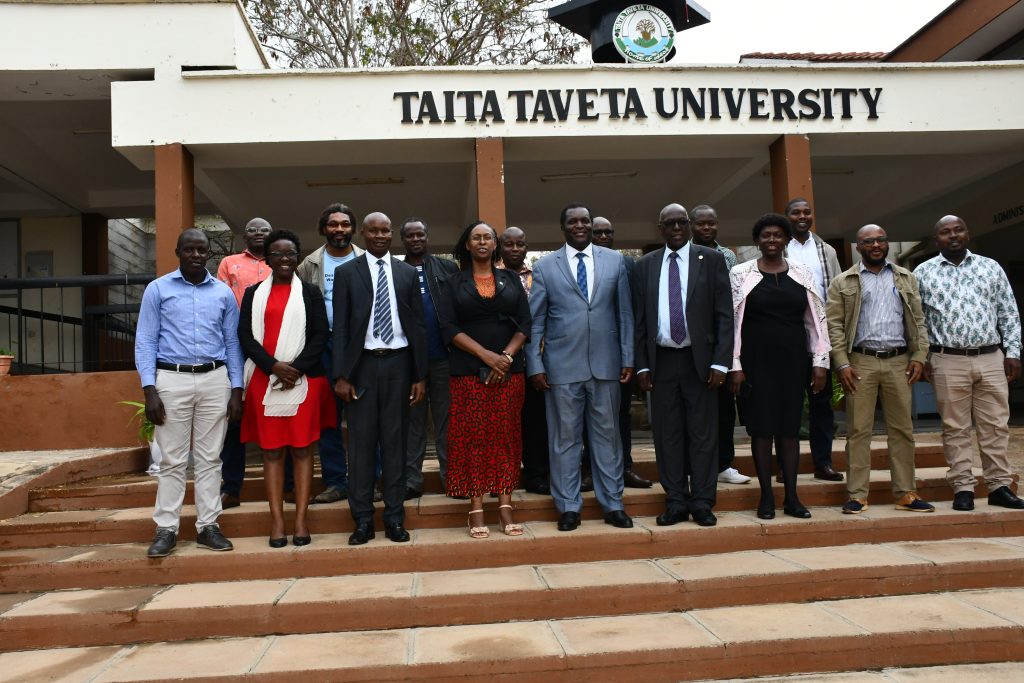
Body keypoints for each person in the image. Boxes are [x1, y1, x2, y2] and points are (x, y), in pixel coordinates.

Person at [526, 203, 635, 532]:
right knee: (564, 441)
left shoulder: (616, 261)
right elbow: (535, 323)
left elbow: (625, 314)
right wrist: (534, 364)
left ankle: (613, 504)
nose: (580, 226)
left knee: (607, 439)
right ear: (563, 227)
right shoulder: (544, 266)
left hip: (607, 366)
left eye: (585, 221)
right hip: (560, 368)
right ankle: (568, 506)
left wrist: (628, 357)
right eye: (573, 221)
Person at [135, 228, 243, 557]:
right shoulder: (158, 290)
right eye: (189, 250)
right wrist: (149, 389)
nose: (196, 255)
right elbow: (146, 340)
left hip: (215, 379)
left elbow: (232, 343)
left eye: (202, 250)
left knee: (211, 458)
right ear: (177, 251)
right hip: (171, 379)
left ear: (210, 254)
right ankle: (166, 528)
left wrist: (237, 388)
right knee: (171, 460)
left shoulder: (223, 293)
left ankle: (208, 526)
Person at [914, 215, 1023, 511]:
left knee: (995, 425)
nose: (953, 235)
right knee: (955, 427)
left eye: (958, 229)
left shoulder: (991, 267)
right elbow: (917, 321)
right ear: (937, 239)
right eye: (946, 232)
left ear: (968, 233)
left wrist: (1013, 352)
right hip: (947, 359)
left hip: (991, 357)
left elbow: (1008, 313)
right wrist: (921, 357)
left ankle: (999, 486)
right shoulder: (923, 273)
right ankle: (963, 488)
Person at [634, 204, 733, 528]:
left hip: (700, 362)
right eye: (669, 223)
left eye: (681, 222)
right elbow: (640, 320)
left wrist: (721, 363)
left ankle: (703, 501)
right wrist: (642, 366)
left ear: (690, 226)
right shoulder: (645, 265)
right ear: (659, 228)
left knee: (703, 434)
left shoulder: (712, 259)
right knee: (667, 435)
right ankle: (675, 500)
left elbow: (724, 316)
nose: (676, 227)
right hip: (661, 361)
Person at [332, 212, 427, 545]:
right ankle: (361, 521)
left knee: (395, 446)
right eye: (373, 231)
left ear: (393, 234)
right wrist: (342, 375)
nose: (380, 236)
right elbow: (341, 327)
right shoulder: (347, 273)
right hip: (362, 369)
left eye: (385, 231)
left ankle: (394, 518)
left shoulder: (405, 272)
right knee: (359, 446)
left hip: (400, 366)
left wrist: (419, 375)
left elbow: (417, 326)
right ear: (363, 234)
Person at [238, 229, 336, 546]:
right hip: (265, 381)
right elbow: (245, 337)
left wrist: (295, 369)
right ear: (267, 258)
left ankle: (301, 522)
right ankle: (277, 522)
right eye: (278, 254)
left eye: (291, 254)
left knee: (304, 450)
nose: (284, 259)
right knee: (271, 453)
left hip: (304, 381)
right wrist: (274, 367)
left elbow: (321, 334)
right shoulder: (253, 294)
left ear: (297, 258)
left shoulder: (310, 293)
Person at [729, 214, 830, 520]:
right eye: (765, 236)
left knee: (788, 429)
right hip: (754, 363)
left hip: (793, 362)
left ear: (786, 240)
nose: (771, 240)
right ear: (757, 240)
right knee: (761, 430)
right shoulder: (740, 273)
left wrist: (819, 362)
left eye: (777, 235)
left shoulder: (803, 273)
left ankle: (792, 497)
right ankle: (766, 497)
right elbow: (733, 323)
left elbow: (816, 321)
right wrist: (735, 365)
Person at [827, 224, 934, 514]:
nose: (876, 245)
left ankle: (905, 493)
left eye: (881, 240)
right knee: (859, 430)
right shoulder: (843, 282)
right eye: (868, 241)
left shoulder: (906, 278)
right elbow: (834, 326)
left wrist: (919, 356)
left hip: (900, 361)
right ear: (858, 247)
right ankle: (857, 495)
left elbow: (919, 320)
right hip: (860, 362)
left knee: (902, 430)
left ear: (887, 244)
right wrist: (842, 363)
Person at [438, 221, 531, 537]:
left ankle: (505, 506)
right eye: (476, 237)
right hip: (468, 373)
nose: (481, 242)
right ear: (467, 244)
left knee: (505, 437)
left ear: (496, 245)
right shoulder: (452, 283)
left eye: (487, 237)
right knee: (474, 439)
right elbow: (448, 328)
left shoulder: (512, 280)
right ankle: (476, 507)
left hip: (509, 373)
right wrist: (486, 356)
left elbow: (525, 324)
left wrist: (504, 357)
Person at [296, 202, 364, 505]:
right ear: (324, 228)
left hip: (361, 346)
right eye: (333, 224)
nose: (340, 229)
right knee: (328, 419)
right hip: (323, 346)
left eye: (345, 224)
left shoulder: (366, 260)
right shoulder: (308, 265)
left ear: (353, 228)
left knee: (366, 417)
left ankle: (368, 480)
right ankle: (336, 482)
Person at [689, 204, 751, 486]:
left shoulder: (727, 255)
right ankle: (694, 465)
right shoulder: (681, 254)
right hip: (691, 343)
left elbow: (733, 301)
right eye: (701, 223)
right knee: (695, 409)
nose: (706, 228)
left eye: (711, 223)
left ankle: (724, 464)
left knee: (725, 407)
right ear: (692, 225)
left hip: (722, 340)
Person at [590, 217, 653, 490]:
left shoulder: (625, 263)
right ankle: (588, 471)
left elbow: (632, 313)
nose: (603, 236)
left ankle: (625, 468)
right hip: (582, 356)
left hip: (618, 357)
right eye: (598, 232)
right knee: (585, 417)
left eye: (608, 231)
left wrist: (632, 357)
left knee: (620, 415)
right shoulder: (571, 264)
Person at [785, 198, 844, 482]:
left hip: (821, 337)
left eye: (807, 211)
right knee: (788, 405)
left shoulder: (827, 250)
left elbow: (837, 290)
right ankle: (788, 466)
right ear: (787, 217)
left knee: (821, 405)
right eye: (796, 212)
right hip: (788, 336)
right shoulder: (779, 247)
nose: (802, 216)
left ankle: (823, 463)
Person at [400, 217, 459, 499]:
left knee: (447, 421)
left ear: (427, 237)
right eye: (409, 236)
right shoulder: (395, 271)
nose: (415, 240)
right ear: (403, 240)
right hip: (409, 363)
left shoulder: (447, 268)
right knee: (414, 424)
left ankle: (452, 479)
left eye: (420, 235)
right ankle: (412, 481)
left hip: (444, 359)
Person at [216, 217, 272, 509]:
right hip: (237, 346)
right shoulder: (229, 263)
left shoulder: (281, 262)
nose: (258, 234)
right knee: (235, 417)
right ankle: (232, 487)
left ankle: (285, 485)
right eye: (252, 230)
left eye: (264, 230)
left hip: (275, 347)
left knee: (277, 414)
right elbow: (221, 302)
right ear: (244, 235)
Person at [498, 227, 551, 496]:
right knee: (503, 423)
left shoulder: (540, 276)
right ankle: (500, 478)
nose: (515, 249)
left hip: (537, 358)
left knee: (535, 421)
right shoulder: (490, 277)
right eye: (509, 244)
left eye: (520, 244)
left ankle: (536, 475)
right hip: (503, 360)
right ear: (500, 247)